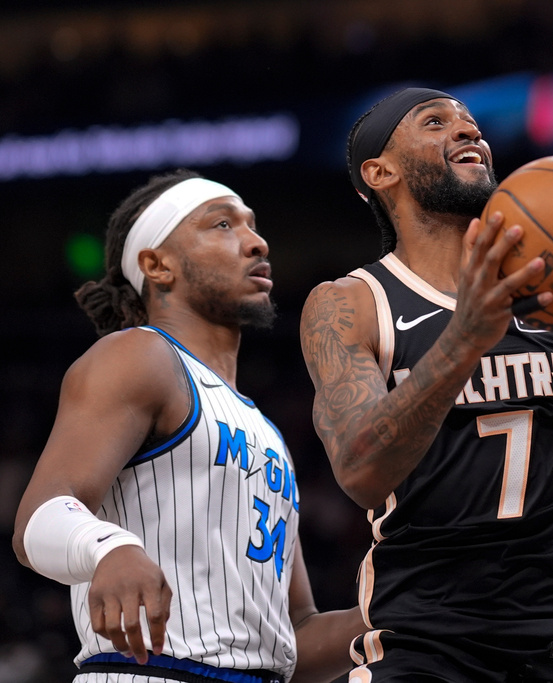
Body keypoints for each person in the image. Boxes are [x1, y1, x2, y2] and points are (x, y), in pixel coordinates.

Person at [299, 87, 553, 681]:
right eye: (436, 122)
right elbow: (361, 472)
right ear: (379, 172)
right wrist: (463, 339)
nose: (469, 131)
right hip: (427, 650)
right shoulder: (352, 304)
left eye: (472, 124)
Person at [12, 169, 362, 683]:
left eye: (253, 225)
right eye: (222, 225)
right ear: (157, 265)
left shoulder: (264, 428)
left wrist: (393, 618)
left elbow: (295, 635)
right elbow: (37, 520)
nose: (256, 241)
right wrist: (109, 547)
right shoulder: (139, 355)